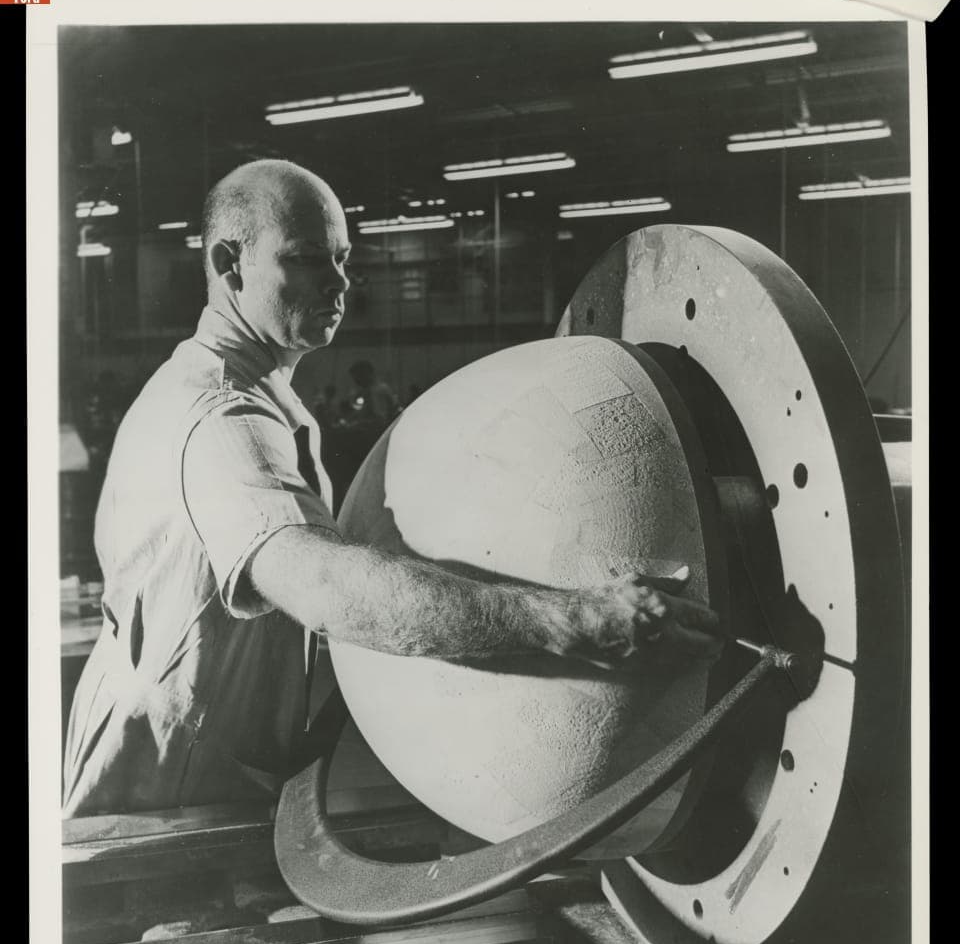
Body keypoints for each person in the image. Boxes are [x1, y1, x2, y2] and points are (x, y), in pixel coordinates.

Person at [62, 158, 723, 818]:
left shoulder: (249, 395)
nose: (340, 283)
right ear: (230, 263)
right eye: (309, 260)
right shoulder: (217, 418)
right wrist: (576, 620)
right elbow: (324, 587)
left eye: (344, 259)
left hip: (196, 770)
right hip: (158, 793)